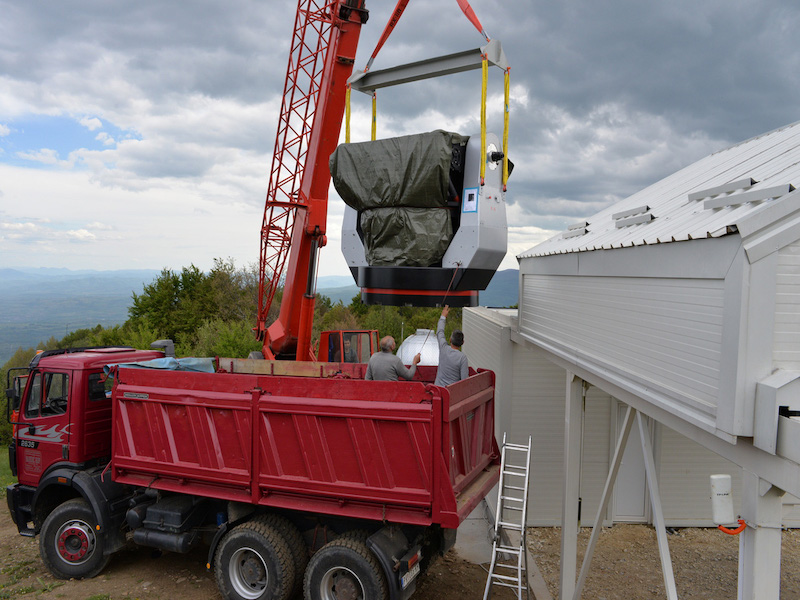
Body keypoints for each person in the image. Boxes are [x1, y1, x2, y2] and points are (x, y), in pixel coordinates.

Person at [434, 305, 468, 386]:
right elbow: (464, 380)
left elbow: (440, 332)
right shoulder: (462, 358)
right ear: (462, 342)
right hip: (451, 394)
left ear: (450, 340)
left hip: (438, 391)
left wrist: (443, 316)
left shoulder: (443, 349)